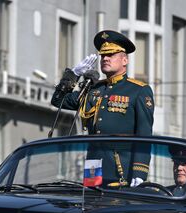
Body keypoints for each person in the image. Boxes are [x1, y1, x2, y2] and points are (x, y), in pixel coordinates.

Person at [51, 30, 154, 187]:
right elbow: (58, 101)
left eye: (111, 54)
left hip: (121, 170)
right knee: (91, 206)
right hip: (93, 167)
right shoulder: (93, 89)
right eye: (103, 55)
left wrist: (140, 172)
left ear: (124, 60)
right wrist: (73, 75)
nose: (105, 58)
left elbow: (144, 135)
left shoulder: (138, 90)